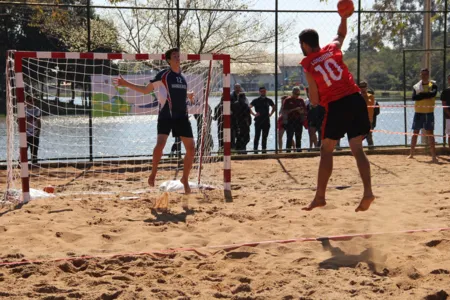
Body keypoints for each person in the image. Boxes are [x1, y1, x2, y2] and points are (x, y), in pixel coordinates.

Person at [299, 14, 375, 212]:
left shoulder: (308, 64)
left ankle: (320, 197)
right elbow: (341, 33)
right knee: (357, 147)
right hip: (357, 98)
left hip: (337, 104)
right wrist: (343, 16)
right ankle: (368, 192)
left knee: (326, 149)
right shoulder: (332, 48)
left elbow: (314, 100)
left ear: (305, 46)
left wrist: (316, 99)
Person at [113, 48, 195, 194]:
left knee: (191, 148)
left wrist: (188, 95)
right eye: (175, 56)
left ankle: (185, 179)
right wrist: (125, 83)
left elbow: (179, 93)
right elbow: (146, 90)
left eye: (179, 56)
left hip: (182, 116)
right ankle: (154, 172)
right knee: (160, 145)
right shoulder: (163, 75)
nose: (178, 58)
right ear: (169, 60)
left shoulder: (183, 77)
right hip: (166, 116)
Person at [408, 68, 438, 163]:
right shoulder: (417, 86)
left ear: (428, 75)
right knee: (415, 132)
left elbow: (433, 94)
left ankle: (433, 156)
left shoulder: (431, 84)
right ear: (420, 75)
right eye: (422, 74)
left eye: (425, 74)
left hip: (428, 112)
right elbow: (414, 97)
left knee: (430, 133)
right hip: (419, 112)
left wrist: (422, 95)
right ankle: (411, 154)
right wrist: (425, 95)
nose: (424, 76)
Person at [250, 87, 275, 154]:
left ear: (265, 91)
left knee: (265, 136)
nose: (262, 92)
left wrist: (271, 114)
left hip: (266, 121)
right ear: (259, 92)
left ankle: (264, 150)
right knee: (257, 136)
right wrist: (254, 114)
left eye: (264, 91)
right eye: (261, 91)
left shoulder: (268, 100)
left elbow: (274, 107)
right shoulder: (256, 100)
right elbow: (248, 107)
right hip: (258, 121)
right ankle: (255, 151)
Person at [282, 87, 307, 152]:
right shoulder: (287, 100)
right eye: (296, 94)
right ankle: (288, 152)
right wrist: (294, 109)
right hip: (290, 121)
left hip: (299, 120)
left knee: (298, 137)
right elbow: (284, 111)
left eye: (298, 94)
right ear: (292, 93)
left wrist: (301, 111)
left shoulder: (301, 100)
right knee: (289, 137)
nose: (297, 96)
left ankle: (298, 151)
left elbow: (305, 111)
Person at [25, 95, 41, 164]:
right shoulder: (22, 109)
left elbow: (38, 122)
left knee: (34, 153)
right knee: (23, 152)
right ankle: (21, 166)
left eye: (33, 100)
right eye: (30, 100)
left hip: (34, 134)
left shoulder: (37, 109)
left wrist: (38, 133)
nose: (32, 102)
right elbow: (18, 121)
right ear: (26, 101)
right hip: (25, 134)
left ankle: (34, 167)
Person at [359, 81, 375, 149]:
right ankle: (359, 149)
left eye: (364, 87)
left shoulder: (370, 96)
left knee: (369, 135)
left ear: (366, 87)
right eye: (361, 87)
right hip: (359, 119)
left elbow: (370, 104)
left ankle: (371, 148)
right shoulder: (357, 96)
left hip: (368, 119)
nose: (362, 88)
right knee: (359, 135)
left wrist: (364, 96)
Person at [440, 74, 450, 146]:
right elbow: (444, 105)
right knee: (449, 135)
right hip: (449, 117)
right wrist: (449, 114)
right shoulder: (445, 91)